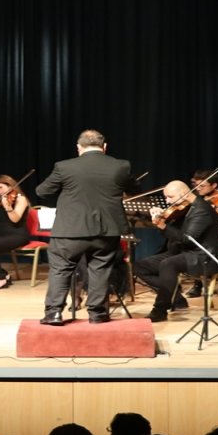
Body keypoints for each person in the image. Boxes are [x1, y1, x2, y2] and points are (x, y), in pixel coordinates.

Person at [36, 129, 136, 324]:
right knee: (101, 269)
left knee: (61, 270)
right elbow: (133, 188)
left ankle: (54, 313)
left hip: (70, 230)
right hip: (106, 230)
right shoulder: (121, 166)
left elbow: (42, 191)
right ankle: (97, 314)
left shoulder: (64, 167)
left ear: (78, 148)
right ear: (104, 147)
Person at [133, 180, 218, 322]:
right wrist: (159, 217)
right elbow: (174, 234)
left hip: (204, 255)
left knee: (168, 264)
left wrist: (164, 226)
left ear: (183, 194)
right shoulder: (185, 208)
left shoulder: (202, 210)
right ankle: (176, 296)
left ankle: (160, 310)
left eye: (170, 197)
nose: (166, 200)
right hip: (185, 252)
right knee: (140, 266)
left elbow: (186, 239)